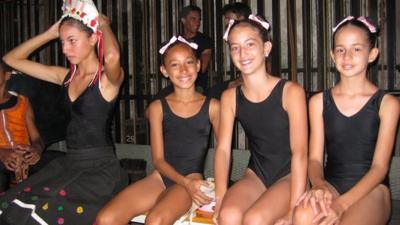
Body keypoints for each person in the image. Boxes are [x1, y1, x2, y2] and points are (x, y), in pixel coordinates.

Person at [0, 0, 128, 224]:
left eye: (72, 41)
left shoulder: (106, 81)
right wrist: (50, 33)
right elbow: (11, 60)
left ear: (93, 38)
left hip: (98, 168)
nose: (64, 49)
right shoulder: (65, 77)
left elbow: (112, 58)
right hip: (70, 163)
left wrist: (104, 25)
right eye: (62, 42)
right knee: (13, 206)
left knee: (44, 213)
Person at [96, 35, 220, 225]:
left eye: (188, 62)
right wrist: (184, 182)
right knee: (105, 219)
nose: (184, 69)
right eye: (175, 65)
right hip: (160, 177)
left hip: (191, 179)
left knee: (155, 221)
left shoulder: (213, 106)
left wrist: (221, 190)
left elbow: (223, 153)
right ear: (164, 70)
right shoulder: (157, 108)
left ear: (198, 65)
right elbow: (158, 160)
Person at [293, 16, 399, 225]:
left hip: (373, 189)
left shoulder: (387, 104)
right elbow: (314, 159)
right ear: (333, 55)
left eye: (357, 49)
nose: (347, 56)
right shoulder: (318, 102)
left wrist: (341, 205)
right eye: (340, 49)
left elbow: (379, 168)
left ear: (372, 54)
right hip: (331, 183)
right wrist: (318, 185)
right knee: (302, 216)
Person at [213, 15, 308, 225]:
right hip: (256, 174)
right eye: (235, 47)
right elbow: (222, 150)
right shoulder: (230, 97)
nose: (242, 53)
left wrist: (294, 209)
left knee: (254, 220)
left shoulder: (291, 92)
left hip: (290, 175)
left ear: (266, 48)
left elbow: (301, 153)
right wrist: (220, 197)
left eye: (249, 45)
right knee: (228, 216)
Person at [0, 59, 44, 192]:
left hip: (24, 156)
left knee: (57, 168)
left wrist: (36, 150)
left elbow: (37, 138)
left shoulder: (22, 102)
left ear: (7, 75)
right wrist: (2, 153)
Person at [180, 5, 213, 93]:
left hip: (197, 87)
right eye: (193, 19)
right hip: (178, 85)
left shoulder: (205, 40)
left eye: (199, 19)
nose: (197, 22)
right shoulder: (177, 41)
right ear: (183, 20)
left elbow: (202, 67)